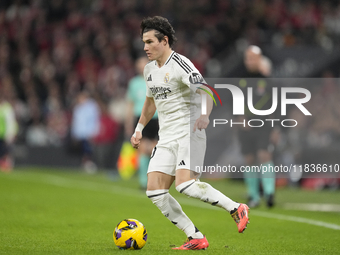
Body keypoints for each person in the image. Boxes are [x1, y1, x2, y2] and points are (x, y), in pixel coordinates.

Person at [130, 16, 249, 250]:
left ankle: (236, 207)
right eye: (143, 42)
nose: (145, 47)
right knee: (155, 191)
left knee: (185, 185)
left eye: (149, 41)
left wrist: (204, 115)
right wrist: (139, 129)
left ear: (164, 41)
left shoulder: (181, 64)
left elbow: (207, 92)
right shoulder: (149, 70)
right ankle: (195, 236)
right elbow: (150, 102)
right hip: (166, 136)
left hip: (189, 130)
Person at [237, 45, 277, 208]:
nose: (249, 61)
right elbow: (232, 101)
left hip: (264, 125)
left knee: (264, 155)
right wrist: (239, 118)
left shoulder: (268, 81)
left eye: (252, 58)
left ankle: (269, 193)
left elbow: (277, 105)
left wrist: (276, 127)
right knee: (249, 159)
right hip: (245, 127)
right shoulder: (238, 80)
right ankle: (253, 196)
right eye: (247, 58)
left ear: (259, 59)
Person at [125, 57, 159, 189]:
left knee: (155, 149)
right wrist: (128, 123)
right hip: (140, 118)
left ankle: (153, 179)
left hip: (156, 118)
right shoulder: (134, 83)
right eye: (139, 65)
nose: (141, 68)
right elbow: (130, 103)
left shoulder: (156, 80)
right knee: (142, 149)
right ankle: (143, 182)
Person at [71, 91, 100, 173]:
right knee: (83, 150)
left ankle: (89, 165)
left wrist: (93, 131)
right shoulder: (77, 108)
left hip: (89, 133)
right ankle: (85, 164)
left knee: (88, 150)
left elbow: (94, 119)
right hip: (80, 134)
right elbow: (76, 121)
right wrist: (75, 133)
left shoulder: (92, 106)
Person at [0, 92, 18, 172]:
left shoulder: (7, 108)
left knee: (5, 152)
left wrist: (10, 135)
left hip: (4, 135)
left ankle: (7, 166)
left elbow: (10, 123)